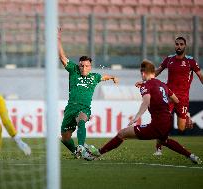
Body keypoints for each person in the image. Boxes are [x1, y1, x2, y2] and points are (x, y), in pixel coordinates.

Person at [86, 60, 201, 164]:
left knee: (122, 134)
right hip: (168, 121)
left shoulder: (146, 85)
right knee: (164, 141)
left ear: (143, 73)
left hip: (157, 124)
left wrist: (137, 117)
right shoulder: (162, 85)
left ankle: (97, 153)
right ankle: (191, 156)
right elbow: (176, 100)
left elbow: (146, 102)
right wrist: (184, 114)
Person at [58, 28, 119, 159]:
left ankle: (81, 146)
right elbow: (62, 57)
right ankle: (77, 152)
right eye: (81, 65)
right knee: (64, 137)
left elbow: (103, 77)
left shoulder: (94, 77)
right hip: (70, 108)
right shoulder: (73, 70)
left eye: (86, 66)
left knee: (81, 120)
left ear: (90, 67)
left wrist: (113, 77)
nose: (83, 68)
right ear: (78, 66)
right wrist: (58, 40)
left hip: (84, 108)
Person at [149, 36, 203, 156]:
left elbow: (200, 75)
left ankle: (187, 116)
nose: (179, 46)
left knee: (181, 128)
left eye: (181, 44)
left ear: (185, 46)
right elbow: (158, 70)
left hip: (183, 98)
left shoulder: (191, 61)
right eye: (177, 44)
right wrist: (149, 79)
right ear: (175, 45)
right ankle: (158, 149)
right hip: (169, 96)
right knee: (162, 123)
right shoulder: (169, 59)